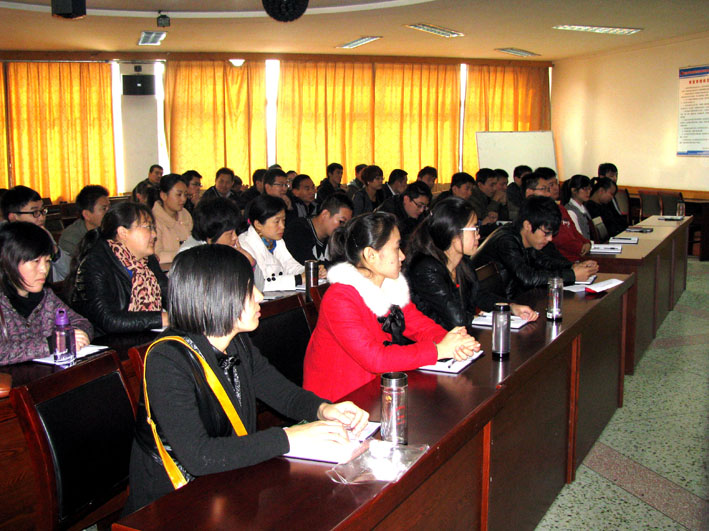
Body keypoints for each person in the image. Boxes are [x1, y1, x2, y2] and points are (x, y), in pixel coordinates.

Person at [124, 244, 369, 512]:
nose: (260, 296)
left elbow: (283, 394)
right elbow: (199, 456)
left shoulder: (236, 342)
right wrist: (289, 437)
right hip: (173, 501)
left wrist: (323, 409)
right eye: (248, 289)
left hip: (229, 480)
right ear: (214, 296)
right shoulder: (168, 359)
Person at [303, 212, 481, 401]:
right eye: (396, 248)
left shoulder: (390, 287)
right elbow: (375, 359)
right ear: (371, 255)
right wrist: (439, 350)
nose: (403, 256)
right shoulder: (340, 298)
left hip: (377, 391)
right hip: (338, 402)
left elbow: (420, 326)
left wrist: (452, 341)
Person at [407, 198, 538, 329]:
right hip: (436, 338)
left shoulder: (462, 262)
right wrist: (477, 317)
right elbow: (456, 320)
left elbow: (478, 295)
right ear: (453, 232)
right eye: (474, 228)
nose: (478, 235)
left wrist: (510, 307)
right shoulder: (426, 268)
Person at [0, 222, 92, 366]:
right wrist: (51, 343)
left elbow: (81, 322)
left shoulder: (46, 297)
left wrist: (77, 334)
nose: (44, 269)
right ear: (7, 261)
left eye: (47, 261)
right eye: (36, 261)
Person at [71, 202, 168, 335]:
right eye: (148, 227)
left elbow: (169, 295)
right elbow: (109, 320)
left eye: (153, 228)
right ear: (123, 232)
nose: (154, 234)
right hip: (107, 341)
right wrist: (161, 319)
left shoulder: (147, 260)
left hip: (142, 335)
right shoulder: (94, 264)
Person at [472, 196, 598, 299]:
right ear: (528, 225)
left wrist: (573, 266)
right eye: (546, 233)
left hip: (514, 300)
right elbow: (528, 278)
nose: (550, 239)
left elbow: (543, 261)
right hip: (495, 307)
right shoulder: (506, 240)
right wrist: (572, 275)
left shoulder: (523, 236)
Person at [1, 185, 71, 282]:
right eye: (34, 212)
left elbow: (69, 273)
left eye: (42, 211)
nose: (42, 217)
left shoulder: (43, 233)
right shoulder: (5, 243)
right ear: (13, 217)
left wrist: (55, 252)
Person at [239, 195, 308, 291]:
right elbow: (260, 283)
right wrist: (298, 279)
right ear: (258, 224)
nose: (282, 226)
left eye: (283, 220)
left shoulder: (277, 240)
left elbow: (290, 265)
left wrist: (309, 271)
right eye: (277, 221)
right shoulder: (245, 245)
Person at [522, 171, 591, 262]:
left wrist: (587, 242)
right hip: (567, 258)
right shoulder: (531, 214)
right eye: (547, 187)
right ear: (529, 192)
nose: (555, 188)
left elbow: (574, 231)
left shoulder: (561, 208)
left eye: (556, 184)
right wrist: (581, 248)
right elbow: (560, 240)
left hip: (572, 259)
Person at [177, 197, 254, 266]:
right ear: (212, 233)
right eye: (230, 233)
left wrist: (249, 263)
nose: (235, 237)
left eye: (235, 231)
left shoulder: (231, 247)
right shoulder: (190, 256)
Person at [283, 193, 353, 265]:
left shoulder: (335, 238)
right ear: (325, 214)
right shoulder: (297, 231)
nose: (344, 228)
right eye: (341, 222)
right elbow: (309, 266)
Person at [376, 181, 432, 253]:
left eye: (424, 207)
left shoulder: (422, 213)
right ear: (406, 199)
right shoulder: (388, 213)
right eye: (419, 205)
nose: (421, 210)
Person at [58, 185, 110, 261]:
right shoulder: (70, 239)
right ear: (87, 215)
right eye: (104, 209)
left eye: (109, 207)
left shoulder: (112, 229)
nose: (109, 212)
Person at [152, 174, 193, 265]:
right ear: (163, 196)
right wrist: (185, 254)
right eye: (179, 194)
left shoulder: (185, 214)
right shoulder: (153, 220)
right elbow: (156, 255)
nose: (183, 199)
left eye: (185, 195)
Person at [562, 174, 593, 240]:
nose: (588, 192)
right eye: (585, 189)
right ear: (574, 190)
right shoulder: (570, 211)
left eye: (589, 188)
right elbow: (578, 237)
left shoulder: (582, 207)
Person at [469, 168, 500, 233]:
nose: (495, 188)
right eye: (492, 185)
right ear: (480, 185)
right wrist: (495, 201)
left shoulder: (487, 195)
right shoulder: (472, 198)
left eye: (496, 185)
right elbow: (482, 219)